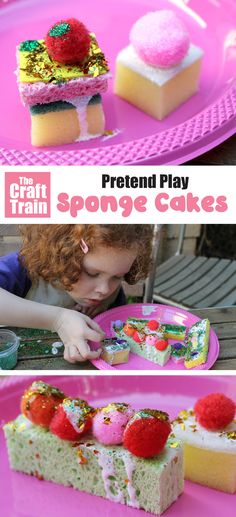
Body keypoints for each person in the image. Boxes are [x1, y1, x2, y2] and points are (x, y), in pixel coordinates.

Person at [0, 224, 153, 363]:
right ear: (62, 255)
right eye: (92, 273)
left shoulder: (109, 292)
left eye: (117, 277)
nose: (104, 289)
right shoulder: (26, 268)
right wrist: (58, 320)